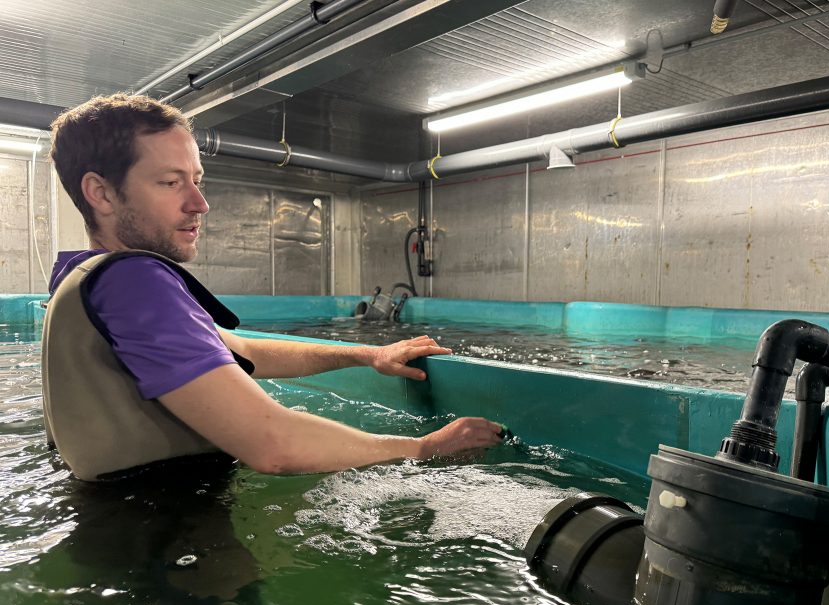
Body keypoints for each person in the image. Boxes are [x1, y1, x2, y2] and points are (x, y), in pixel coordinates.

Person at [43, 93, 501, 482]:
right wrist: (423, 449)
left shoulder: (83, 278)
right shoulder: (134, 280)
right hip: (167, 544)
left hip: (114, 532)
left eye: (197, 181)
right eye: (169, 182)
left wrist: (367, 355)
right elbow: (274, 445)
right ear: (100, 193)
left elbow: (241, 351)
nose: (199, 203)